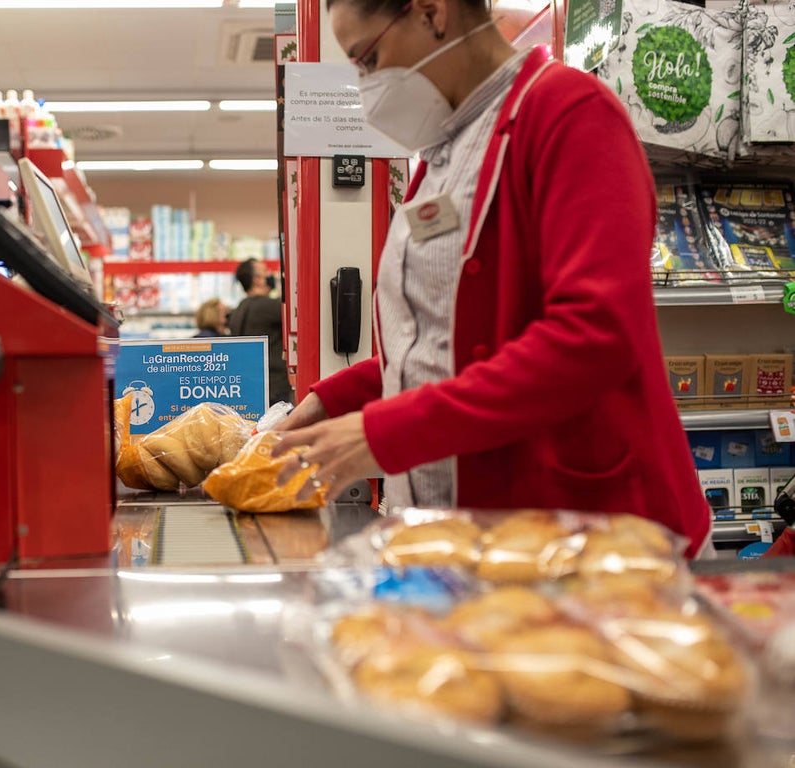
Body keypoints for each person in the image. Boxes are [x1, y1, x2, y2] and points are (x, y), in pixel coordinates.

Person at [272, 0, 711, 556]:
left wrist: (383, 433)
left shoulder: (571, 113)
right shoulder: (441, 155)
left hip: (590, 539)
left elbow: (596, 333)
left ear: (432, 13)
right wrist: (332, 401)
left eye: (369, 58)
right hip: (481, 537)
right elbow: (441, 339)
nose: (366, 84)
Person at [230, 258, 294, 405]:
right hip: (274, 387)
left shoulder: (238, 310)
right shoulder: (269, 307)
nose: (270, 274)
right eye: (265, 271)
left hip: (250, 385)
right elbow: (297, 316)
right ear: (257, 279)